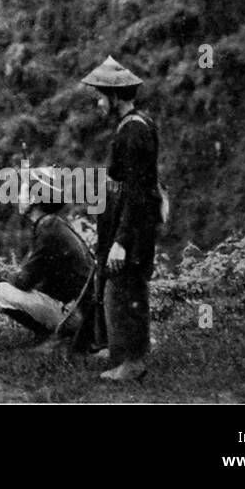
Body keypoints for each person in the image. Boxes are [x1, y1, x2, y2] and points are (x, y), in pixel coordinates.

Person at [75, 55, 163, 382]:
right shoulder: (133, 125)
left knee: (126, 289)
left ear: (115, 98)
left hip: (133, 224)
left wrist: (122, 242)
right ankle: (120, 350)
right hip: (126, 219)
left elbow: (138, 192)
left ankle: (133, 362)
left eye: (101, 97)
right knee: (119, 287)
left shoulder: (133, 132)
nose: (98, 103)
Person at [0, 167, 93, 348]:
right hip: (84, 312)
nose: (18, 196)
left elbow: (24, 281)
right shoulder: (52, 224)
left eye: (22, 191)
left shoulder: (47, 229)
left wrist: (3, 276)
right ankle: (58, 334)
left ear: (34, 198)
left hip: (76, 315)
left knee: (1, 290)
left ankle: (55, 337)